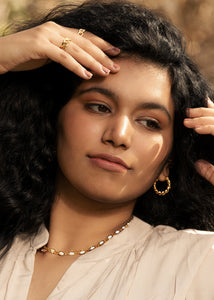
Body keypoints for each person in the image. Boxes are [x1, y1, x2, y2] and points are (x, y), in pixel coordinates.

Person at [0, 0, 214, 299]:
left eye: (150, 123)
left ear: (169, 161)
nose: (119, 136)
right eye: (99, 107)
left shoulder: (197, 262)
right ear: (52, 118)